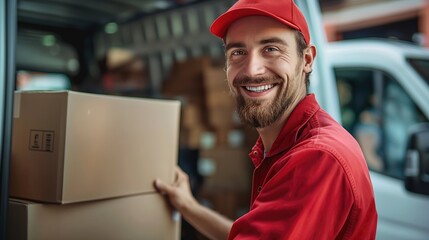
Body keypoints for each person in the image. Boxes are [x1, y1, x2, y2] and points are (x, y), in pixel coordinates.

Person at [155, 0, 378, 239]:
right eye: (238, 52)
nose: (252, 70)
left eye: (271, 49)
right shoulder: (289, 145)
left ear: (307, 60)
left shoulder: (317, 157)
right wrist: (189, 206)